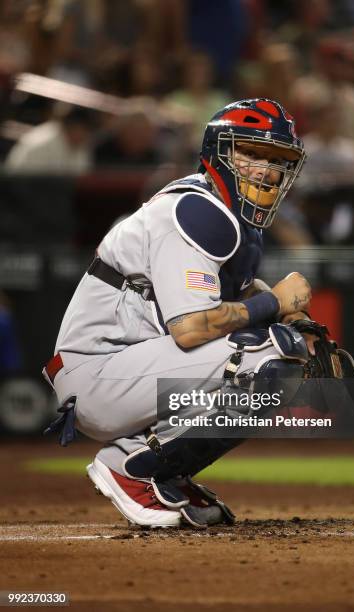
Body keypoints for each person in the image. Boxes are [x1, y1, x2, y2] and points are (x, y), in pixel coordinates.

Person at [43, 98, 311, 529]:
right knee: (266, 355)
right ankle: (130, 468)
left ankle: (163, 468)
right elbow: (190, 330)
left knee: (283, 352)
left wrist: (291, 316)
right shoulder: (194, 211)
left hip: (129, 367)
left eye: (277, 159)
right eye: (251, 154)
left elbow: (237, 295)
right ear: (217, 155)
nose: (265, 169)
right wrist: (276, 306)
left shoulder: (227, 215)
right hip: (99, 374)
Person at [5, 105, 96, 174]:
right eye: (85, 130)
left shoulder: (82, 147)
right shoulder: (41, 142)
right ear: (74, 127)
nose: (87, 135)